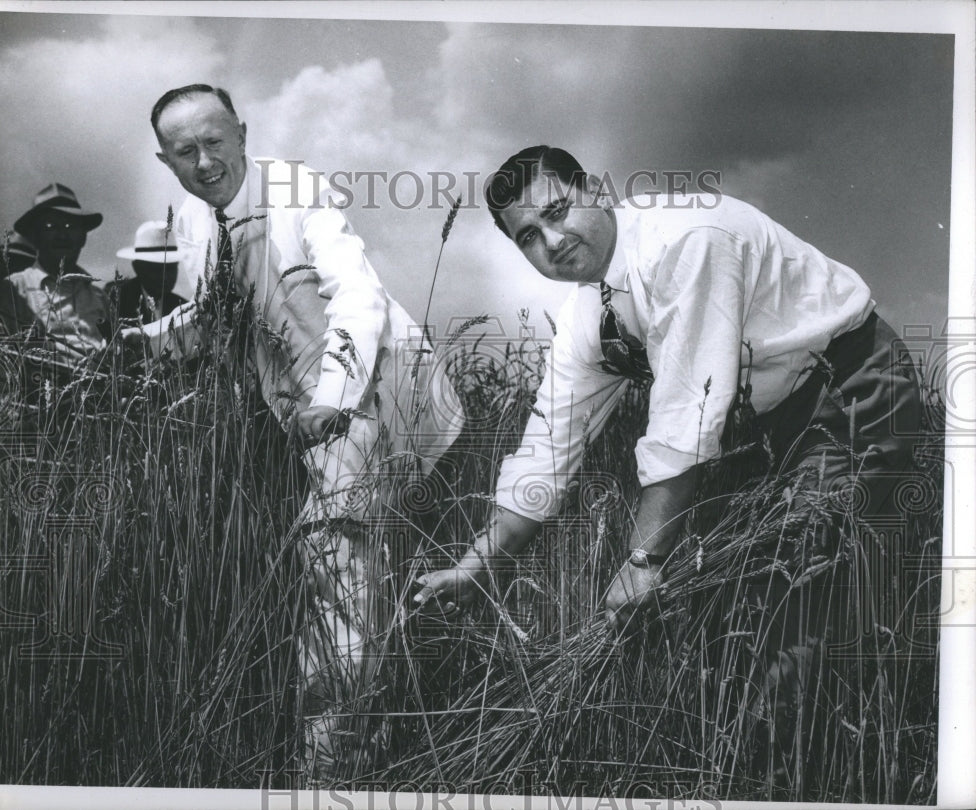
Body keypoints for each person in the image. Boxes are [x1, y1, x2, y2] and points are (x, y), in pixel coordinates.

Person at [413, 145, 921, 782]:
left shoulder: (685, 240)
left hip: (850, 387)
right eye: (529, 237)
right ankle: (750, 761)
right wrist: (477, 566)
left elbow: (685, 412)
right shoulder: (584, 319)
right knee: (730, 610)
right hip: (767, 427)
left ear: (596, 189)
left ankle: (800, 774)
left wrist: (644, 560)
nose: (552, 240)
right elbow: (547, 447)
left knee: (804, 597)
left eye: (558, 210)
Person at [128, 84, 465, 771]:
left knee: (337, 576)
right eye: (185, 151)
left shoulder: (294, 189)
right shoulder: (198, 228)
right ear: (165, 161)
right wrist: (138, 344)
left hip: (366, 405)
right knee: (354, 584)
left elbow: (358, 295)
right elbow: (215, 316)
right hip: (310, 429)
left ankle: (331, 765)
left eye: (215, 142)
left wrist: (335, 398)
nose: (205, 161)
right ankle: (367, 748)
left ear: (243, 133)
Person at [0, 183, 112, 356]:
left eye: (70, 226)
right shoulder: (13, 289)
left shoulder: (99, 297)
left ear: (83, 237)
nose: (62, 235)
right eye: (50, 227)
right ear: (35, 236)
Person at [108, 220, 187, 323]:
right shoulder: (116, 299)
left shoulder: (181, 307)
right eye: (157, 269)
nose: (165, 276)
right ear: (137, 267)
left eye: (171, 268)